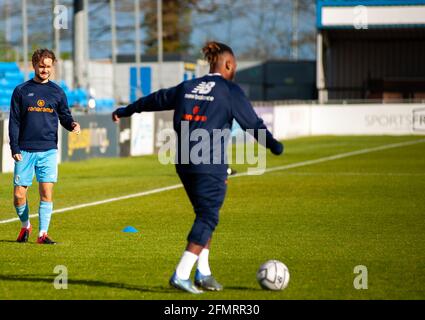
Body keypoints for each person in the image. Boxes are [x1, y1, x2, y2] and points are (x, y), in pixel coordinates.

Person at [112, 41, 283, 293]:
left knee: (204, 213)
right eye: (233, 66)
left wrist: (127, 110)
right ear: (227, 64)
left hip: (183, 162)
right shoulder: (229, 90)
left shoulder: (187, 86)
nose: (234, 70)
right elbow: (253, 124)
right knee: (208, 216)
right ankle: (181, 274)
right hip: (209, 163)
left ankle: (203, 272)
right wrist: (273, 145)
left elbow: (156, 99)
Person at [9, 48, 81, 244]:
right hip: (24, 149)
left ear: (52, 67)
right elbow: (14, 121)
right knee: (18, 195)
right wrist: (14, 148)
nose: (45, 70)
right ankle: (25, 226)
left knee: (46, 191)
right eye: (42, 66)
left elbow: (65, 116)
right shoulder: (21, 91)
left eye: (48, 67)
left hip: (48, 149)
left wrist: (72, 124)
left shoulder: (57, 91)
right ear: (34, 65)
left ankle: (42, 234)